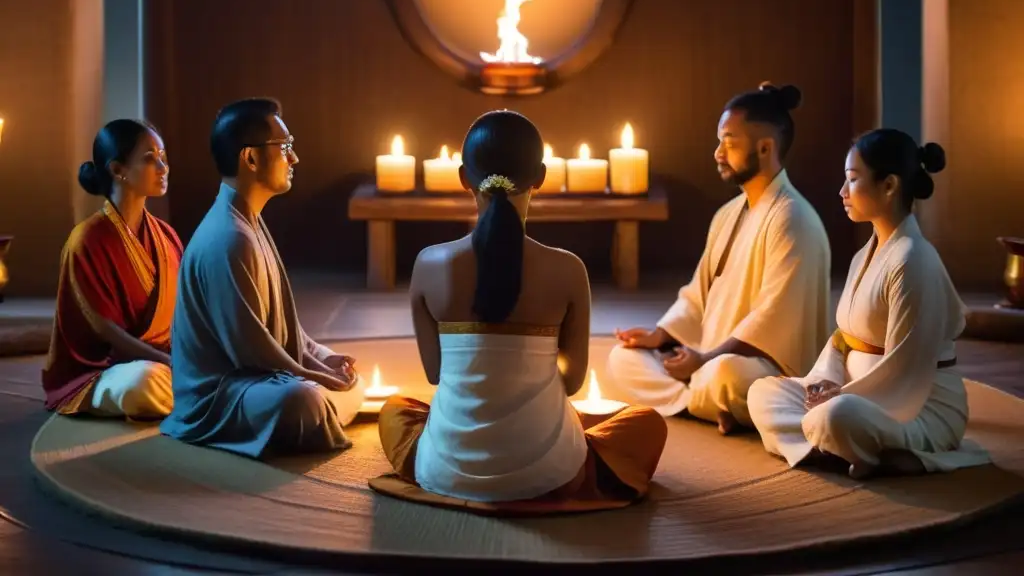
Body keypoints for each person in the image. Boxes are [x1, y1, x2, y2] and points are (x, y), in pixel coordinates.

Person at [377, 110, 667, 507]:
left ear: (464, 178)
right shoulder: (568, 268)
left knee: (395, 410)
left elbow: (435, 373)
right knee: (647, 424)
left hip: (444, 470)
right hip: (552, 473)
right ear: (541, 176)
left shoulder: (429, 264)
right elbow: (573, 383)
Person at [747, 129, 990, 478]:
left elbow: (906, 369)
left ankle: (875, 447)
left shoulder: (913, 259)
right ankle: (857, 452)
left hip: (916, 407)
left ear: (889, 186)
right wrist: (825, 381)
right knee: (763, 392)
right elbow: (843, 338)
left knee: (836, 416)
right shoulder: (866, 254)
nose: (842, 192)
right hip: (854, 394)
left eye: (853, 180)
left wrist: (840, 395)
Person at [607, 83, 831, 434]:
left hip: (762, 367)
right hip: (707, 359)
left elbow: (774, 319)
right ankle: (710, 407)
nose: (717, 153)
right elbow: (699, 295)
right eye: (719, 141)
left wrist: (705, 359)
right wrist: (660, 336)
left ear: (765, 147)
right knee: (623, 359)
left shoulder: (793, 219)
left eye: (729, 142)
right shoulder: (728, 213)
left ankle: (709, 401)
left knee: (726, 375)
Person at [160, 99, 365, 458]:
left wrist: (321, 359)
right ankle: (324, 405)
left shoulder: (248, 221)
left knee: (341, 375)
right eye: (285, 147)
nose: (294, 158)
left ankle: (327, 399)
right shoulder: (229, 237)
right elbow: (251, 350)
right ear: (250, 158)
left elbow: (282, 332)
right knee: (301, 400)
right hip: (219, 397)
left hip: (255, 377)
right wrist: (315, 376)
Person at [43, 119, 179, 419]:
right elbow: (105, 330)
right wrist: (170, 364)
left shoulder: (165, 235)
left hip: (168, 361)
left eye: (163, 157)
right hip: (110, 368)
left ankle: (194, 391)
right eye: (149, 158)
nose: (162, 166)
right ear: (117, 169)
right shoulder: (87, 239)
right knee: (142, 383)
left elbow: (183, 313)